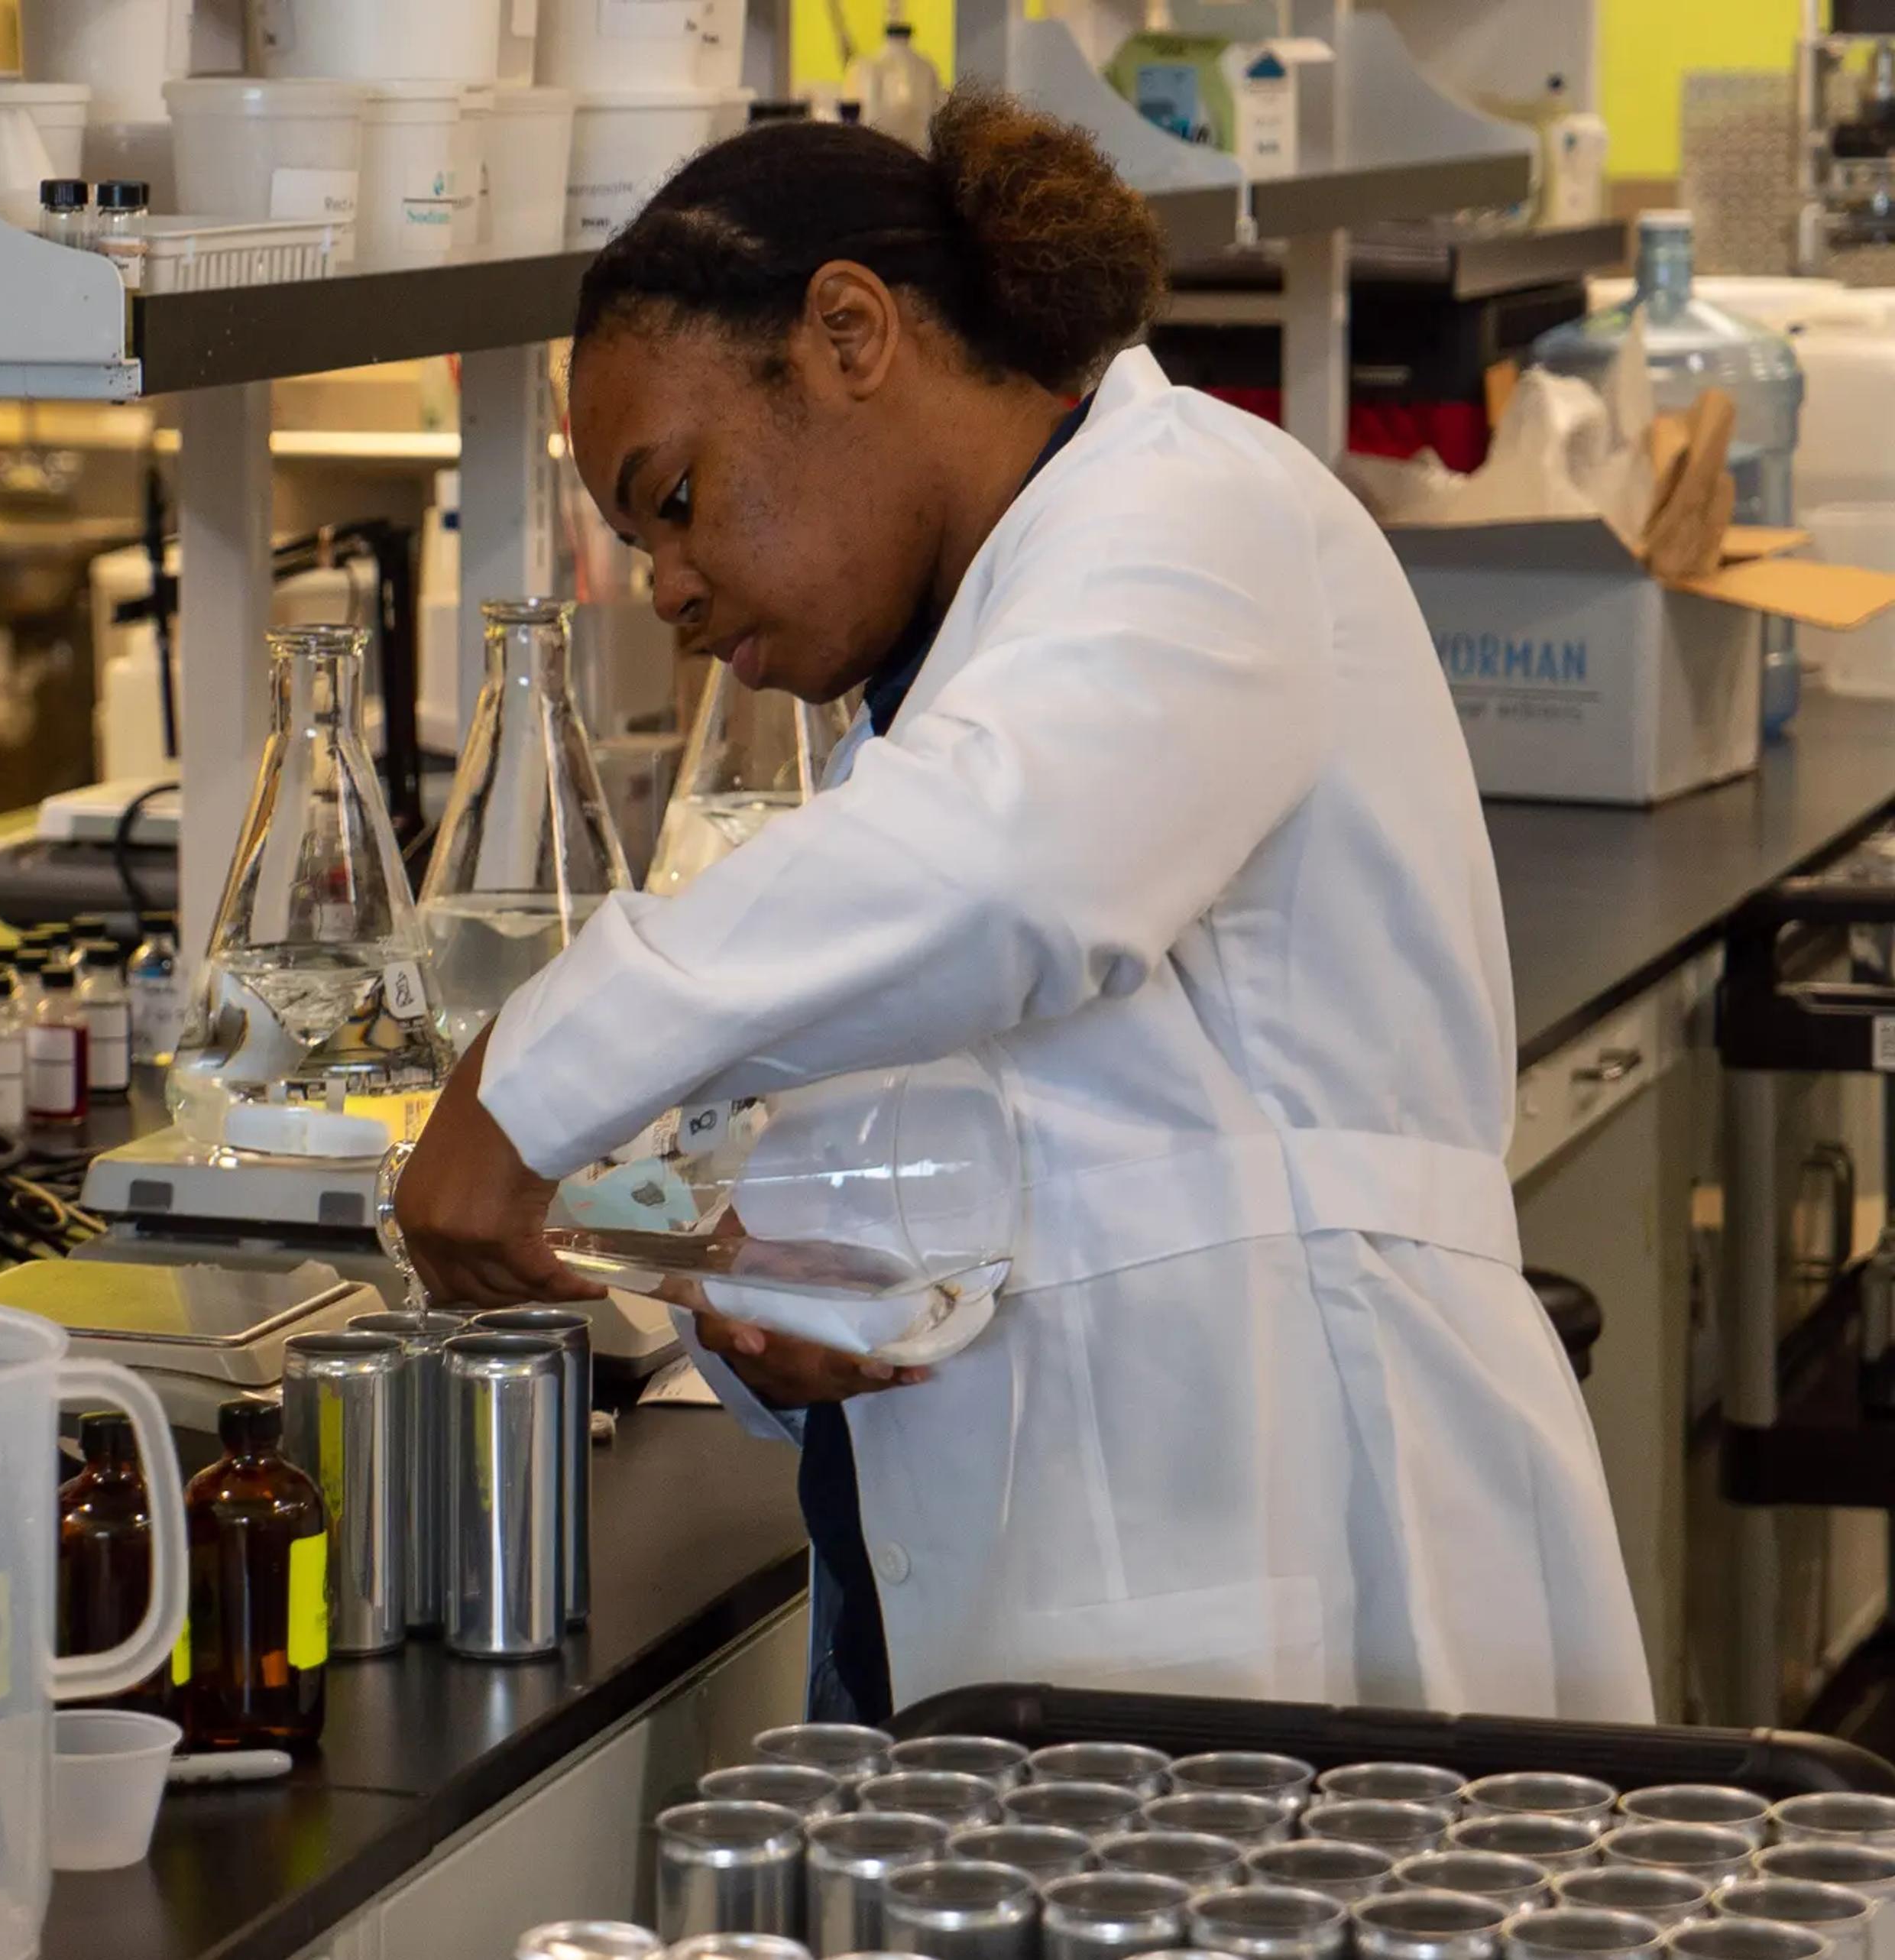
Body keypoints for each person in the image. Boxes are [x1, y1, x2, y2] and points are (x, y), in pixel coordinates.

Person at [387, 92, 1654, 1726]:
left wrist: (529, 1075)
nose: (672, 593)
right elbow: (1019, 1132)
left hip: (1295, 1564)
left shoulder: (1197, 513)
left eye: (679, 498)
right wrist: (776, 1298)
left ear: (851, 332)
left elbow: (1007, 878)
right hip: (1014, 1610)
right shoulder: (955, 676)